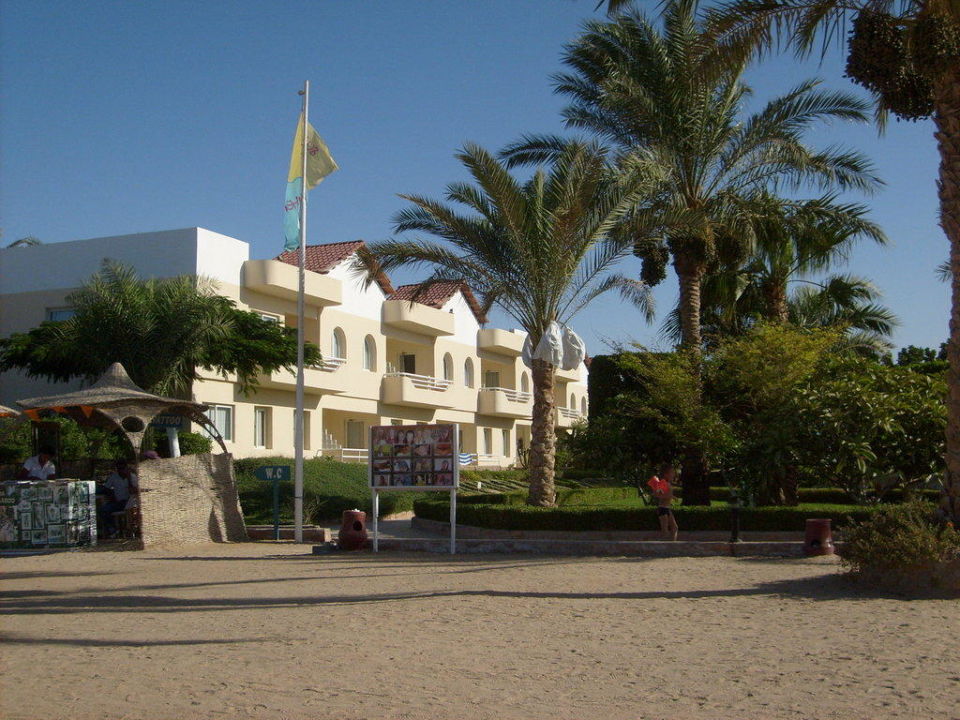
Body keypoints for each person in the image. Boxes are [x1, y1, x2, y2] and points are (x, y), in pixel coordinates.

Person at [98, 460, 139, 537]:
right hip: (118, 502)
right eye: (119, 469)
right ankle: (113, 530)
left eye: (123, 468)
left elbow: (133, 491)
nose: (121, 471)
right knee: (103, 509)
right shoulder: (114, 476)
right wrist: (112, 496)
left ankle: (130, 530)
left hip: (129, 502)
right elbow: (107, 488)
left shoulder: (133, 477)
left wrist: (129, 478)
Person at [648, 462, 678, 541]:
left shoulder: (668, 484)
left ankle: (672, 544)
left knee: (674, 528)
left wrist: (671, 496)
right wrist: (669, 496)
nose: (674, 475)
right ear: (666, 474)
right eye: (672, 473)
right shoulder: (663, 483)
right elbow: (656, 494)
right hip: (662, 509)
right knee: (665, 531)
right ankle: (661, 546)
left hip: (667, 508)